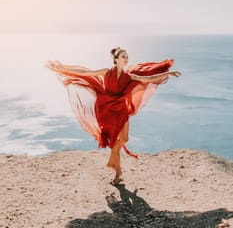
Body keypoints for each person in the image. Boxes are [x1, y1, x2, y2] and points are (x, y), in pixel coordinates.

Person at [46, 47, 181, 184]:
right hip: (107, 109)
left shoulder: (128, 77)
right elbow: (86, 72)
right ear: (116, 59)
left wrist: (168, 74)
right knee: (114, 140)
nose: (126, 59)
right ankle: (117, 172)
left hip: (121, 109)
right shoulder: (106, 72)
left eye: (127, 56)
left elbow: (147, 79)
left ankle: (113, 162)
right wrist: (63, 68)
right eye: (123, 56)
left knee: (124, 139)